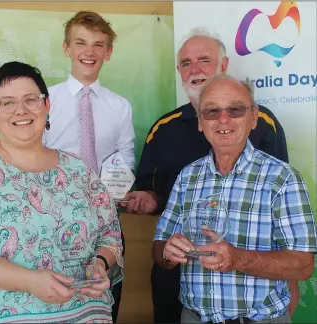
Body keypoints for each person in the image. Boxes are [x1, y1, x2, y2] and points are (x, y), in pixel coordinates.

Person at [120, 28, 293, 323]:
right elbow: (152, 194)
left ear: (223, 66)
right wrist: (148, 200)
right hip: (179, 285)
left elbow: (284, 215)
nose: (195, 70)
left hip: (251, 289)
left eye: (204, 60)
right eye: (186, 63)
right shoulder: (165, 128)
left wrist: (291, 282)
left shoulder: (262, 123)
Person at [0, 61, 123, 323]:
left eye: (31, 99)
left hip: (87, 313)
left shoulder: (78, 169)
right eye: (7, 102)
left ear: (47, 105)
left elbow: (110, 231)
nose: (21, 110)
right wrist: (29, 281)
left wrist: (100, 262)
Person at [153, 74, 317, 324]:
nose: (223, 119)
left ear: (254, 117)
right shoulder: (187, 177)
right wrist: (167, 252)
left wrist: (237, 258)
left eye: (236, 109)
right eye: (211, 111)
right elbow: (159, 246)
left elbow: (303, 265)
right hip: (193, 318)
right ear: (200, 122)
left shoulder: (282, 178)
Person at [42, 11, 134, 322]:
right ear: (67, 48)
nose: (89, 52)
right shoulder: (43, 102)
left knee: (107, 295)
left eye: (98, 45)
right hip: (54, 218)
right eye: (81, 43)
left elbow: (126, 157)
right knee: (58, 293)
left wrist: (117, 190)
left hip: (105, 219)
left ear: (108, 52)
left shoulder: (120, 107)